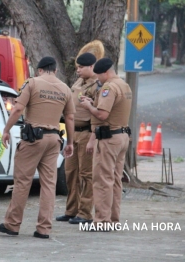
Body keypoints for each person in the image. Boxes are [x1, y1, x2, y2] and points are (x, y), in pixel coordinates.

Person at [0, 56, 75, 239]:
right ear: (54, 70)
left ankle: (13, 224)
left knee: (23, 182)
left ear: (39, 70)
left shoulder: (32, 83)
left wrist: (6, 130)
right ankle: (44, 228)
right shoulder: (65, 88)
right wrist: (70, 142)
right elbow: (69, 118)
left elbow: (17, 109)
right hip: (54, 139)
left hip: (33, 139)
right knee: (48, 184)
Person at [79, 58, 132, 232]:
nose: (98, 80)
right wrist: (94, 103)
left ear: (105, 73)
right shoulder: (125, 86)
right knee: (116, 180)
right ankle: (113, 219)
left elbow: (102, 115)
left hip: (109, 138)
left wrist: (88, 106)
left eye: (99, 76)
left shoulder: (109, 87)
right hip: (122, 136)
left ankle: (101, 220)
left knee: (102, 180)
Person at [55, 53, 98, 225]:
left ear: (91, 67)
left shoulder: (98, 85)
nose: (78, 70)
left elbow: (101, 113)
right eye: (77, 67)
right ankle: (71, 210)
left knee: (86, 175)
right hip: (73, 132)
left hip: (88, 133)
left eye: (81, 67)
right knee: (70, 173)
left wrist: (93, 138)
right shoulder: (78, 82)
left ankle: (85, 213)